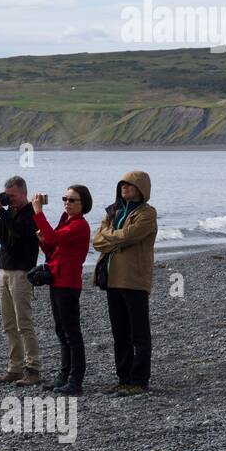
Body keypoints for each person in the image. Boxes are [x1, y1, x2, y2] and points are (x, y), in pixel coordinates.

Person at [92, 170, 157, 396]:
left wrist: (111, 235)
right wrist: (115, 236)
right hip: (112, 279)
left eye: (129, 184)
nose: (124, 187)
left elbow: (130, 236)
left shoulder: (148, 213)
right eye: (122, 184)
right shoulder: (114, 212)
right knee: (119, 333)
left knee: (138, 333)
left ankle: (139, 380)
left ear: (141, 188)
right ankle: (124, 378)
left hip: (134, 280)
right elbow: (96, 241)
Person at [32, 185, 93, 395]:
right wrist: (42, 241)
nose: (67, 202)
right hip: (57, 281)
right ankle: (64, 376)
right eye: (65, 198)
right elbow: (52, 247)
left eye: (72, 200)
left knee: (72, 333)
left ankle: (76, 380)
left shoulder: (80, 225)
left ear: (83, 204)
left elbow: (55, 239)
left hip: (68, 283)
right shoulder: (66, 221)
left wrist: (38, 212)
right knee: (62, 331)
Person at [0, 176, 41, 386]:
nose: (9, 199)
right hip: (4, 269)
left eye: (12, 196)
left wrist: (1, 211)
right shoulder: (8, 211)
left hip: (22, 271)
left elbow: (19, 232)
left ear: (23, 193)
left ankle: (33, 369)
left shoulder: (31, 213)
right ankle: (15, 368)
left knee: (24, 323)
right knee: (9, 324)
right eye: (6, 195)